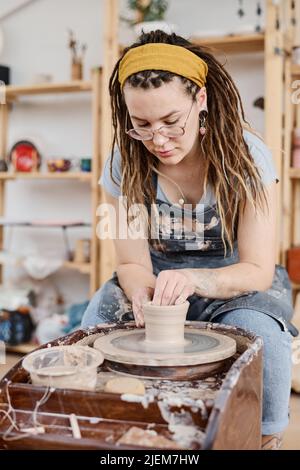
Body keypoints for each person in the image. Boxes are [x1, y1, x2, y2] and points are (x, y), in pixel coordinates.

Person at [81, 30, 298, 449]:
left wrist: (196, 281)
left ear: (200, 101)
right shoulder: (123, 163)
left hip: (237, 283)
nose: (158, 140)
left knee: (261, 337)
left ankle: (263, 436)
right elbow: (130, 263)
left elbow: (256, 268)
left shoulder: (247, 157)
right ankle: (118, 433)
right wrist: (143, 293)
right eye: (141, 125)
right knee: (96, 324)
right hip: (154, 281)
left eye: (171, 122)